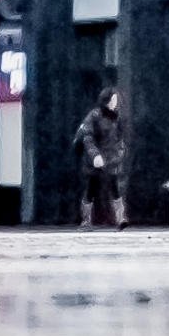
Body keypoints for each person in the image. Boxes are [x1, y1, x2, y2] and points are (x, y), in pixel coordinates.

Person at [73, 75, 127, 227]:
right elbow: (87, 136)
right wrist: (95, 155)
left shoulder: (116, 118)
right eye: (113, 100)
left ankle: (120, 218)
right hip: (95, 160)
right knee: (92, 187)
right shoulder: (95, 115)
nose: (115, 103)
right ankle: (86, 220)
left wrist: (119, 155)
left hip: (110, 158)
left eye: (116, 100)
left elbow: (119, 140)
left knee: (115, 187)